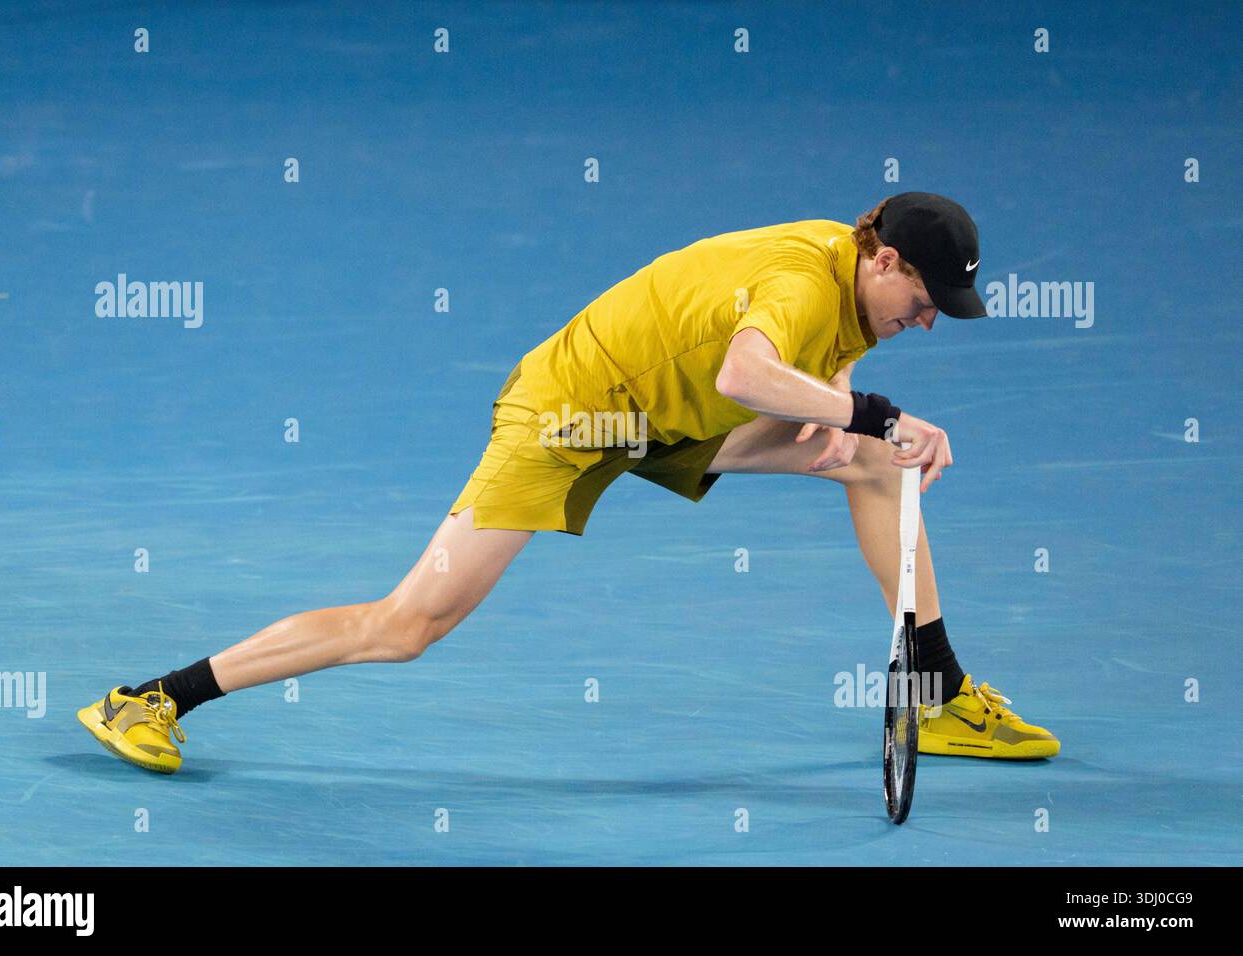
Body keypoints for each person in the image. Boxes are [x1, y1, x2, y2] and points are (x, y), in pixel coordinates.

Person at [78, 191, 1059, 774]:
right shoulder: (804, 279)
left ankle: (934, 688)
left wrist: (851, 428)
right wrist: (877, 412)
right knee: (410, 623)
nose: (927, 320)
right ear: (883, 259)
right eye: (924, 303)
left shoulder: (854, 280)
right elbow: (743, 373)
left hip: (660, 417)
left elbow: (814, 404)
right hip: (570, 413)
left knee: (870, 463)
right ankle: (151, 696)